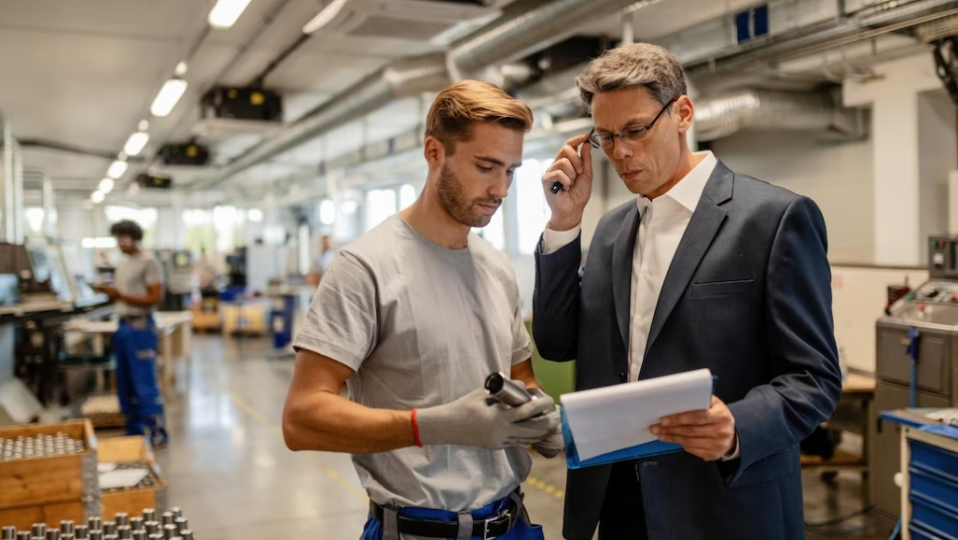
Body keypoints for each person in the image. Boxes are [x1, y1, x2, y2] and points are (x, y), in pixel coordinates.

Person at [532, 43, 842, 540]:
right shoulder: (611, 231)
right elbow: (555, 341)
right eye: (606, 137)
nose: (620, 152)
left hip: (723, 502)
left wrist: (738, 426)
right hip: (619, 500)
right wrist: (565, 225)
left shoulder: (773, 219)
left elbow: (814, 378)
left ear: (682, 112)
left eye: (634, 130)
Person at [283, 80, 562, 540]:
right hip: (418, 530)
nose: (500, 188)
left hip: (511, 524)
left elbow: (520, 379)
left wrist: (537, 417)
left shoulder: (495, 267)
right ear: (435, 152)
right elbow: (301, 418)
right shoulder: (365, 267)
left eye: (511, 171)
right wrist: (432, 425)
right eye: (486, 166)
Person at [97, 220, 168, 447]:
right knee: (125, 384)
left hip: (140, 327)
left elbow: (156, 297)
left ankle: (156, 433)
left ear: (132, 238)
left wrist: (121, 296)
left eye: (122, 238)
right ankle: (134, 434)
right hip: (124, 327)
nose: (119, 243)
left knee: (144, 383)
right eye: (117, 238)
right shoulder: (124, 263)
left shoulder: (148, 262)